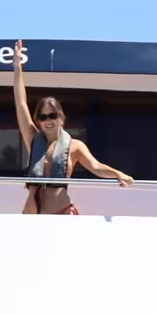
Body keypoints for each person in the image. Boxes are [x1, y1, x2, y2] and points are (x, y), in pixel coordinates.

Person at [11, 41, 133, 214]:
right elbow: (21, 102)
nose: (48, 120)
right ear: (38, 121)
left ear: (61, 118)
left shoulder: (75, 146)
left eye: (53, 115)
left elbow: (96, 167)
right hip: (33, 217)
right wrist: (17, 68)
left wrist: (118, 174)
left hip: (62, 214)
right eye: (43, 117)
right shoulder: (33, 138)